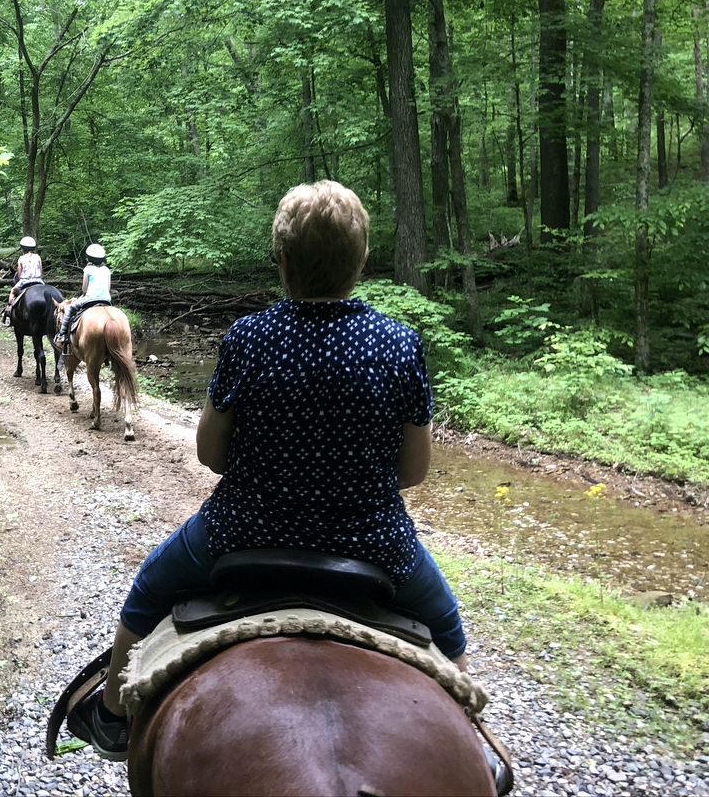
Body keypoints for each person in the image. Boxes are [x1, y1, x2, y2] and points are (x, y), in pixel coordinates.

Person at [67, 181, 469, 762]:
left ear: (281, 260)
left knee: (149, 587)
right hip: (377, 542)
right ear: (362, 260)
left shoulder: (250, 338)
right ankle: (475, 743)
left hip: (243, 530)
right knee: (450, 630)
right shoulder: (399, 343)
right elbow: (413, 471)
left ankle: (109, 714)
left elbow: (210, 454)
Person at [53, 243, 110, 351]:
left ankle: (62, 335)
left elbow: (84, 289)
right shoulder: (106, 270)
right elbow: (108, 287)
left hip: (90, 299)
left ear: (89, 258)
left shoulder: (87, 269)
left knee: (70, 309)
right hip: (106, 300)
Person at [2, 236, 44, 325]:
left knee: (12, 292)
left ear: (23, 248)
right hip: (38, 281)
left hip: (25, 281)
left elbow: (20, 275)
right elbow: (40, 271)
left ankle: (8, 311)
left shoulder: (21, 258)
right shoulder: (38, 257)